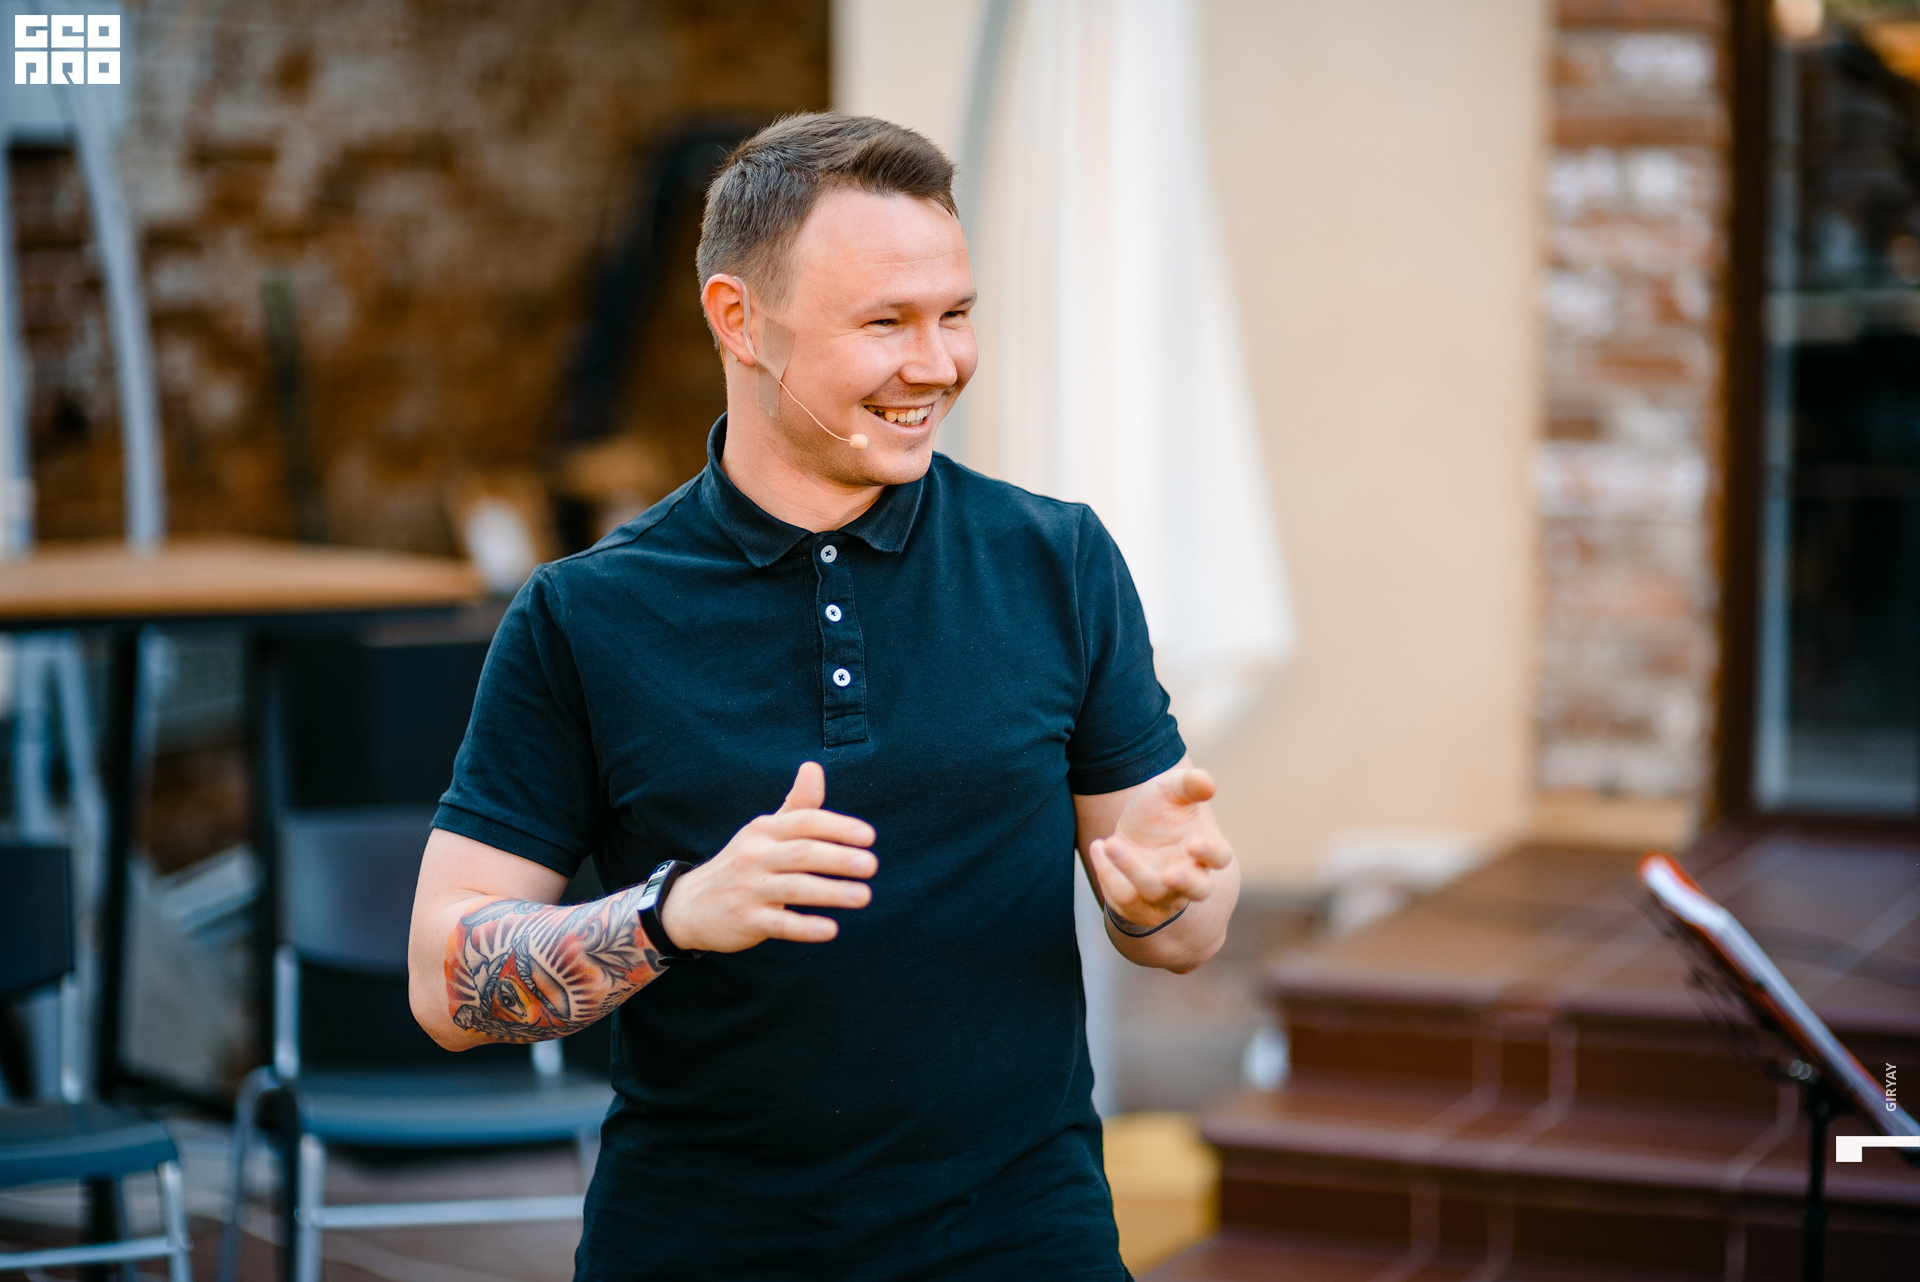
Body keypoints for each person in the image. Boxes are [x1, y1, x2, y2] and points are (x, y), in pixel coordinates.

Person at [408, 112, 1238, 1281]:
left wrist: (1163, 899)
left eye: (955, 314)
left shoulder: (1056, 562)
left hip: (1020, 1239)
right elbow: (444, 981)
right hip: (700, 1249)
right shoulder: (584, 615)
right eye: (885, 322)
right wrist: (671, 914)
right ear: (739, 320)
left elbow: (1188, 929)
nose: (937, 364)